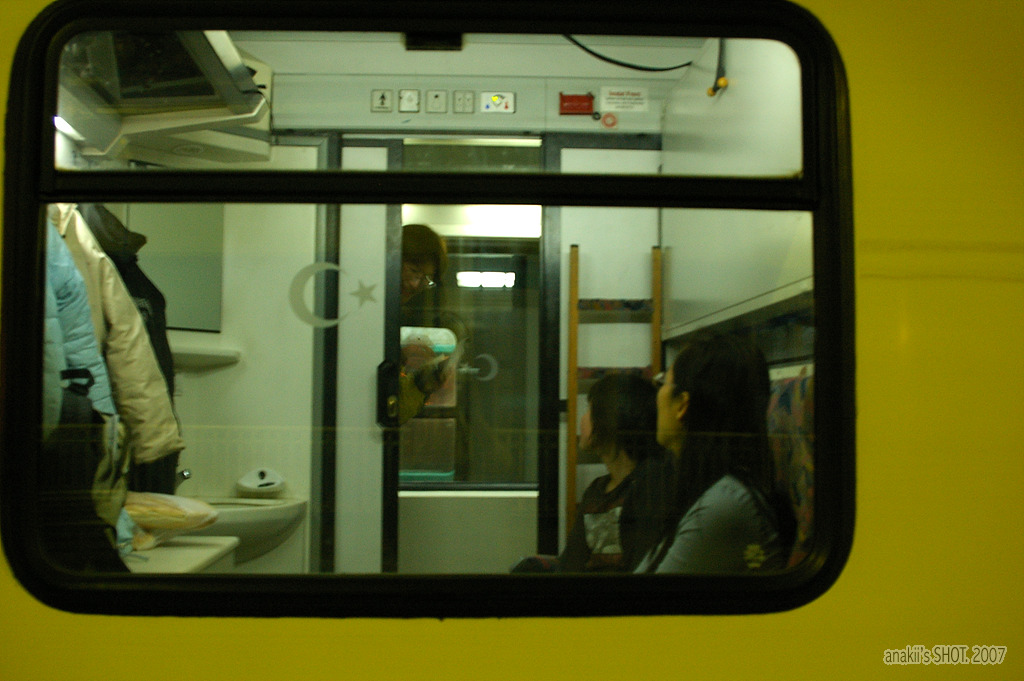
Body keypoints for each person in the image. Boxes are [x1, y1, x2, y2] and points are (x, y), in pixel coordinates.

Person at [637, 334, 793, 573]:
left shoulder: (724, 506)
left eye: (663, 383)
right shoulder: (712, 491)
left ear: (682, 405)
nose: (656, 395)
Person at [557, 373, 675, 572]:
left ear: (608, 419)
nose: (582, 419)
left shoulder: (652, 484)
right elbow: (571, 565)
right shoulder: (595, 491)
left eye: (589, 410)